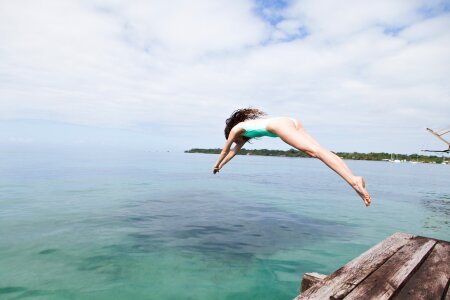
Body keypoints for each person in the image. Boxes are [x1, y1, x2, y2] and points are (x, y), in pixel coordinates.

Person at [212, 107, 372, 207]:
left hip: (280, 125)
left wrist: (216, 164)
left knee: (314, 152)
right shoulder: (245, 132)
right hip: (292, 121)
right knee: (321, 150)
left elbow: (226, 150)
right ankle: (353, 177)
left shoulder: (236, 130)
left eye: (232, 140)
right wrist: (221, 166)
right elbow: (234, 152)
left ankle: (353, 182)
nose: (236, 142)